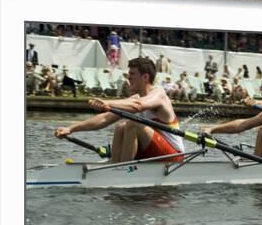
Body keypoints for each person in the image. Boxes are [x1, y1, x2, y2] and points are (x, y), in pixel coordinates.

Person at [55, 57, 184, 163]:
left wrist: (107, 102)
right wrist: (71, 129)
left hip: (172, 156)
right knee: (121, 126)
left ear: (145, 77)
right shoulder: (135, 98)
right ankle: (115, 164)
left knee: (132, 124)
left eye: (132, 74)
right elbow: (104, 118)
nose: (129, 78)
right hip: (153, 152)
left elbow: (138, 106)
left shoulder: (159, 94)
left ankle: (122, 169)